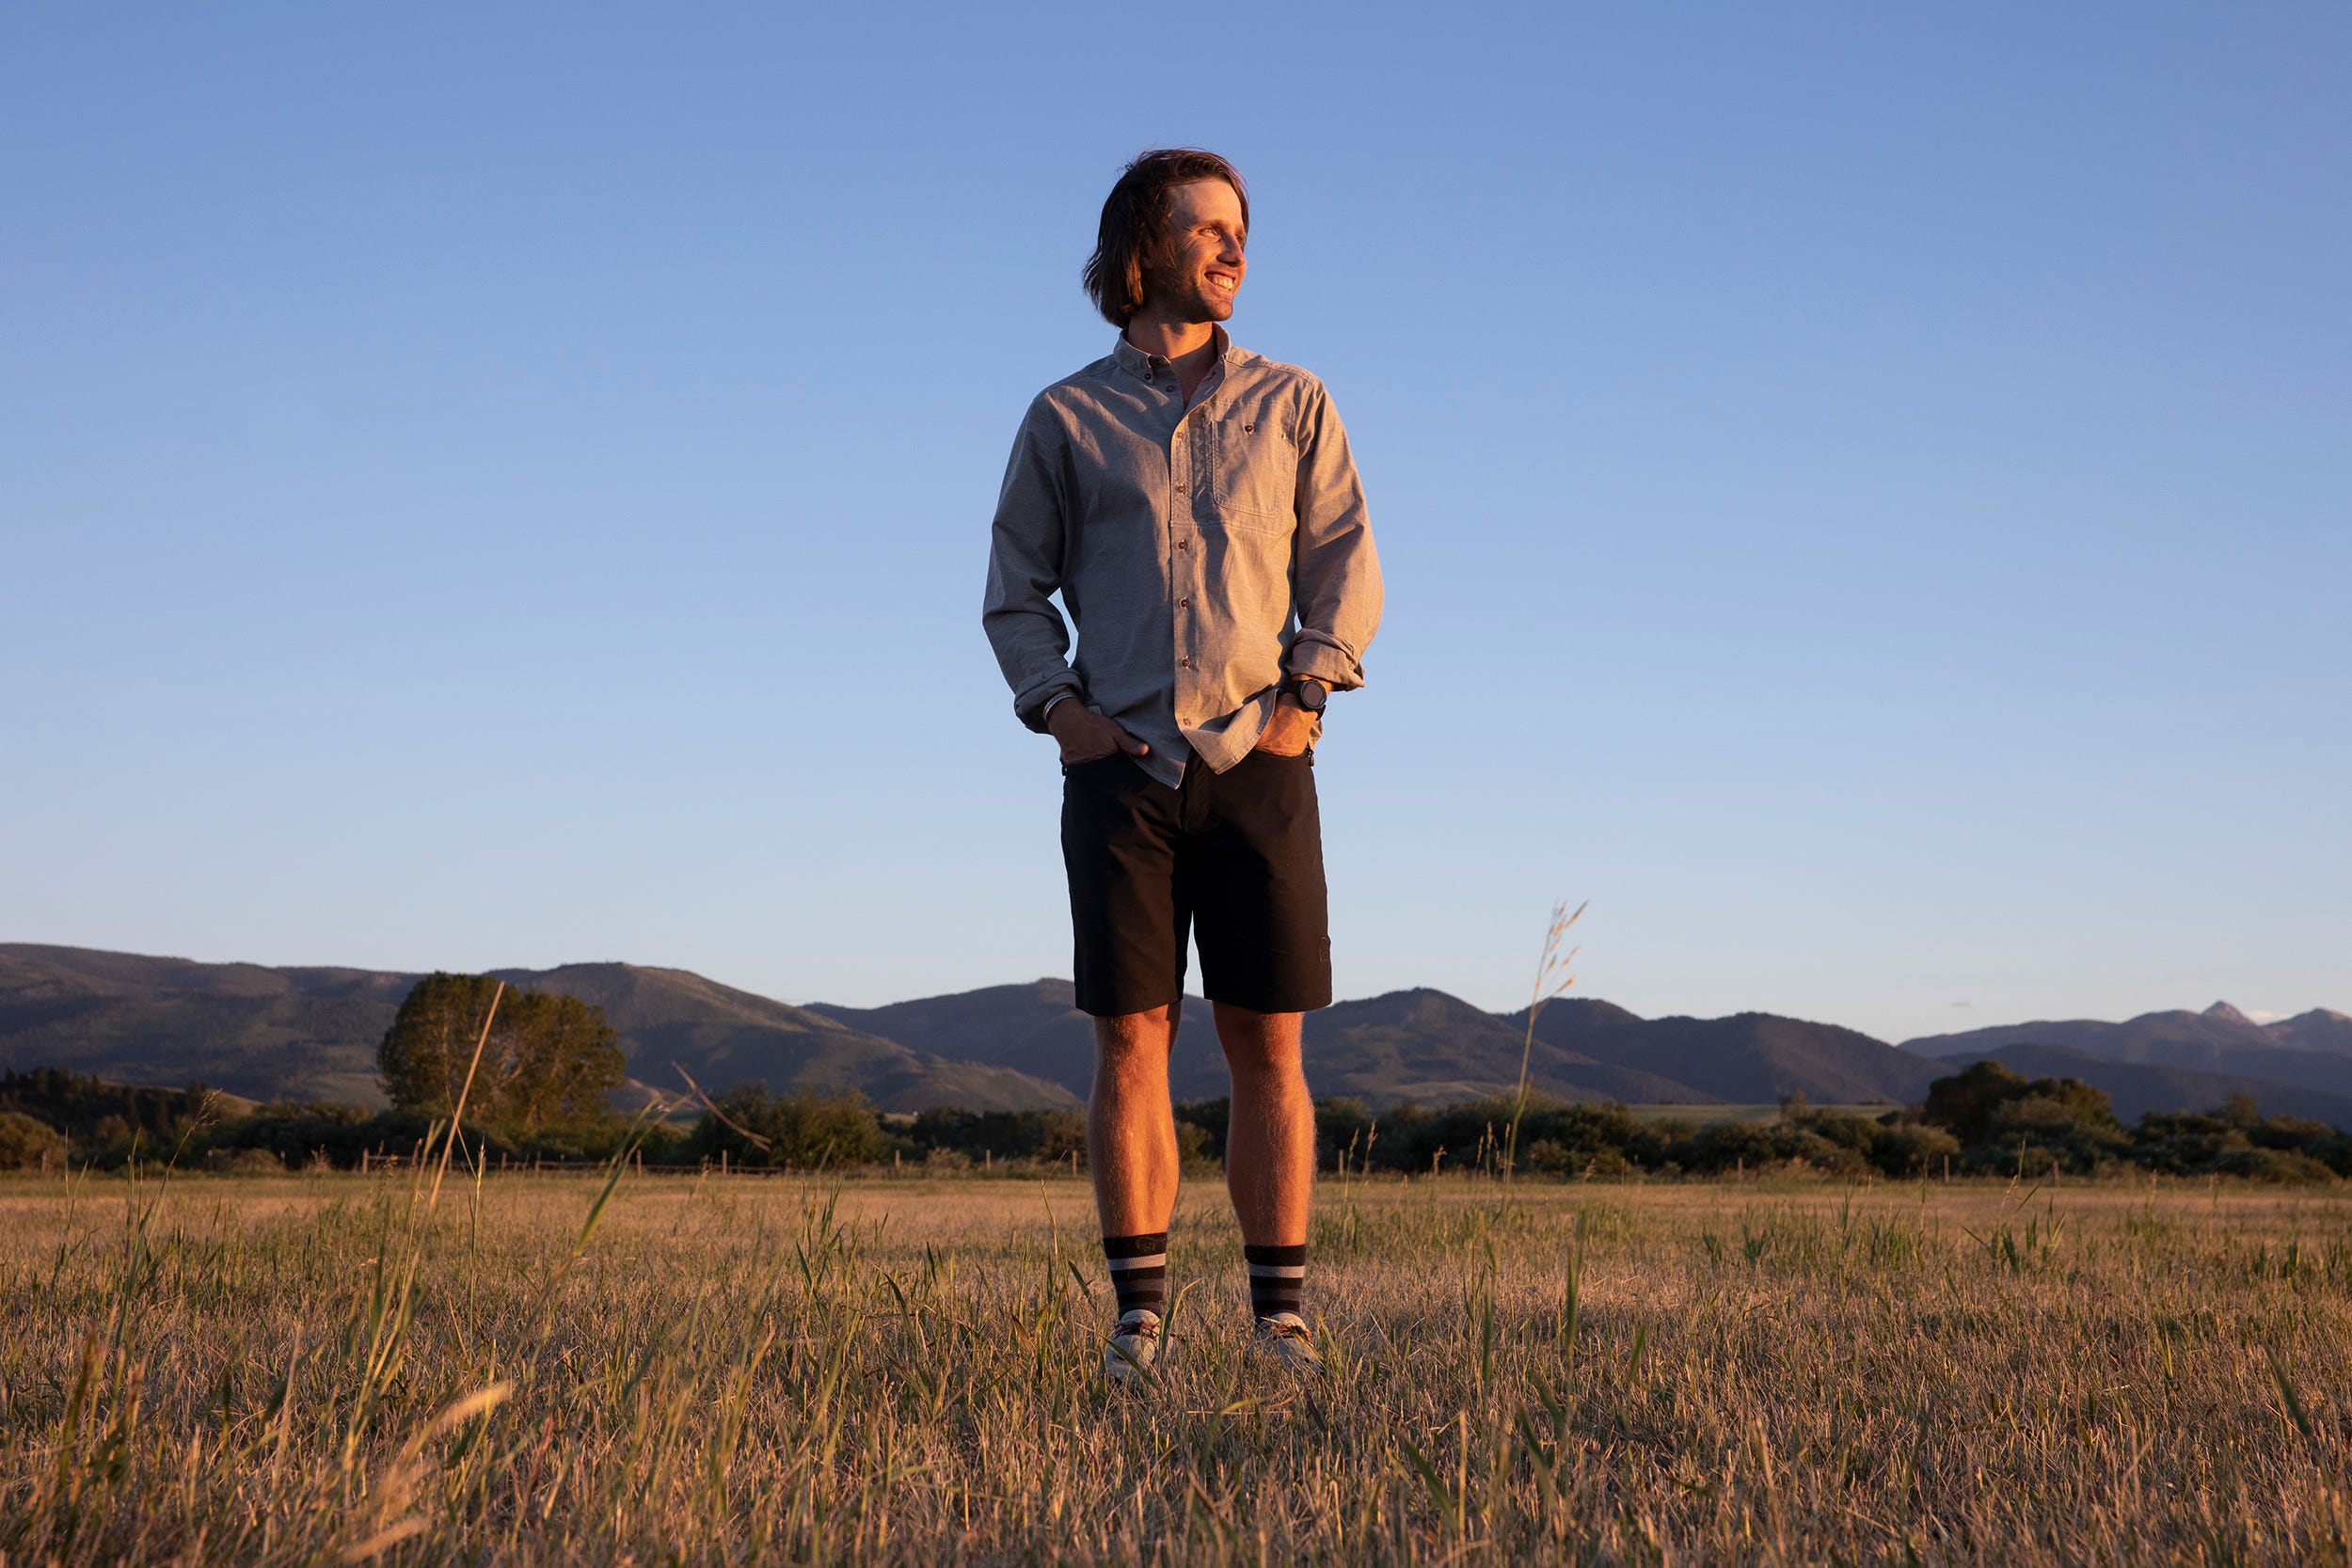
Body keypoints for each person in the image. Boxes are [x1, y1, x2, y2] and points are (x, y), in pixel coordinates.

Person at [981, 148, 1384, 1385]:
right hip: (1122, 772)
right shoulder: (1065, 416)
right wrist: (1063, 715)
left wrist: (1304, 701)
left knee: (1269, 1042)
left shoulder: (1295, 401)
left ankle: (1281, 1324)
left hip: (1261, 758)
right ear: (1142, 249)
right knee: (1131, 1039)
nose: (1233, 249)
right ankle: (1138, 1324)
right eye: (1205, 229)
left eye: (1241, 230)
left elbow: (1345, 564)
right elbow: (1013, 593)